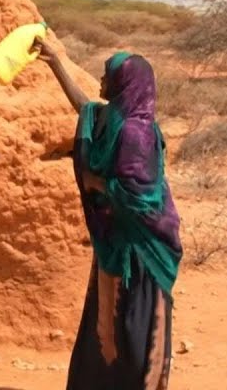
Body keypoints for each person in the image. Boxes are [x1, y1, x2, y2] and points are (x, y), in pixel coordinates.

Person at [34, 40, 183, 390]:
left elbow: (141, 199)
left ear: (124, 84)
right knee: (109, 328)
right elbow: (84, 106)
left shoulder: (136, 132)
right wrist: (56, 63)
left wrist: (97, 183)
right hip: (116, 243)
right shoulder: (112, 119)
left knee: (136, 329)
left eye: (107, 76)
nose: (101, 81)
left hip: (142, 250)